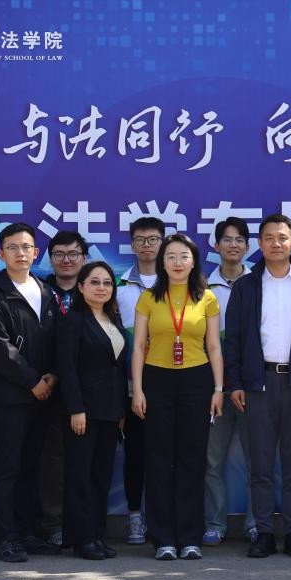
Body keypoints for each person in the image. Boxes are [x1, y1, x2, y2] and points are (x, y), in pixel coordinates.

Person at [225, 214, 291, 559]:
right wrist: (235, 383)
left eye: (282, 237)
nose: (276, 243)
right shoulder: (246, 286)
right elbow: (234, 340)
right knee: (260, 464)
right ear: (259, 243)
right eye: (269, 237)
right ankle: (265, 533)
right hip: (259, 383)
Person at [132, 233, 223, 560]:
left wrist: (218, 389)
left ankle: (189, 537)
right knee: (159, 459)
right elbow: (138, 346)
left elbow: (214, 346)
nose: (177, 262)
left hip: (197, 380)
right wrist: (138, 390)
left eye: (184, 256)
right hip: (156, 380)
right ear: (162, 262)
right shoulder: (148, 298)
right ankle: (163, 539)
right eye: (170, 256)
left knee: (192, 459)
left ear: (194, 261)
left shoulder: (207, 298)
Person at [0, 223, 61, 563]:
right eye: (12, 247)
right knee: (7, 467)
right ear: (1, 254)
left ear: (36, 252)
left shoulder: (45, 291)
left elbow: (56, 340)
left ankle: (28, 532)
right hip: (11, 396)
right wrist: (32, 381)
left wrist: (52, 375)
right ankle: (6, 536)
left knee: (31, 467)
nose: (20, 253)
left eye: (26, 247)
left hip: (44, 394)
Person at [57, 261, 128, 560]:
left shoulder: (113, 320)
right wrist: (76, 408)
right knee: (80, 476)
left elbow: (117, 369)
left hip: (110, 411)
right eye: (95, 282)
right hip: (83, 412)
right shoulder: (73, 320)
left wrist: (121, 411)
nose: (101, 288)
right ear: (81, 287)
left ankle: (97, 535)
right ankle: (81, 539)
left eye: (107, 283)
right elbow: (67, 368)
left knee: (101, 476)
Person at [203, 216, 253, 546]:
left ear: (248, 247)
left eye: (239, 240)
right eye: (227, 239)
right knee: (212, 460)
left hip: (252, 386)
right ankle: (214, 523)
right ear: (216, 245)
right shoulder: (202, 288)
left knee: (257, 460)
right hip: (215, 388)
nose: (233, 245)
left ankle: (256, 523)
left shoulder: (260, 283)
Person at [116, 215, 165, 545]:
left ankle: (163, 517)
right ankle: (135, 515)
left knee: (167, 454)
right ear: (132, 245)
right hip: (132, 384)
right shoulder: (119, 286)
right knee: (135, 452)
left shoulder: (177, 282)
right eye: (140, 240)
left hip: (170, 380)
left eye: (153, 239)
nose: (147, 246)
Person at [39, 230, 86, 547]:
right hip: (48, 390)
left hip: (88, 390)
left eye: (73, 254)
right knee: (52, 461)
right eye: (59, 254)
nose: (66, 260)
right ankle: (54, 524)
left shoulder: (96, 290)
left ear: (84, 257)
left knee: (85, 460)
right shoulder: (39, 292)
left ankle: (84, 525)